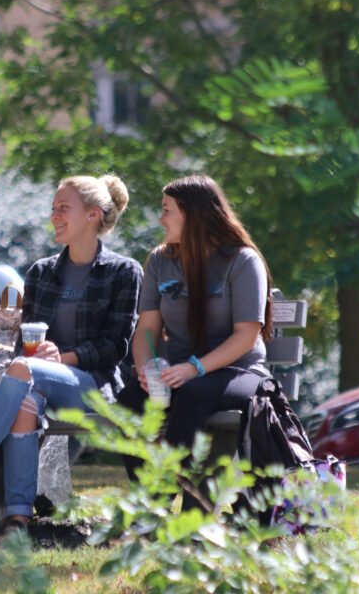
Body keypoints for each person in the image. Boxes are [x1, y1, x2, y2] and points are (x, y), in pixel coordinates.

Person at [0, 174, 142, 539]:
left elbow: (115, 347)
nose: (55, 216)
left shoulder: (124, 272)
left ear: (93, 215)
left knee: (24, 373)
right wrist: (40, 360)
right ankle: (18, 520)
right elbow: (26, 343)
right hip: (40, 380)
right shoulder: (41, 272)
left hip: (96, 386)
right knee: (26, 402)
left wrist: (62, 358)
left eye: (63, 208)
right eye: (53, 209)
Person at [117, 174, 280, 511]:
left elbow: (247, 336)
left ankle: (161, 501)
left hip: (239, 370)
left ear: (193, 215)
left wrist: (195, 369)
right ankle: (152, 503)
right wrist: (147, 368)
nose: (160, 219)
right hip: (180, 371)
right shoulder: (160, 260)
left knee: (192, 394)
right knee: (130, 399)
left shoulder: (242, 260)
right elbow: (147, 327)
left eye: (167, 211)